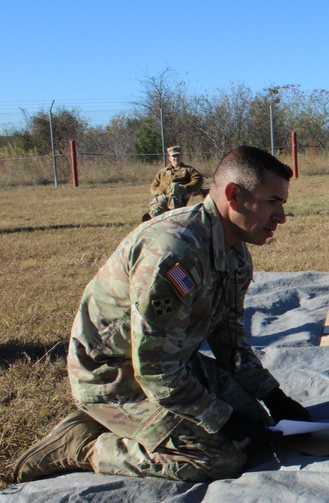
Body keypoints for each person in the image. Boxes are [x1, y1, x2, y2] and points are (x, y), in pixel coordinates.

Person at [14, 146, 312, 484]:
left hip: (170, 362)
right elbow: (155, 371)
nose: (282, 217)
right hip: (112, 375)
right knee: (219, 457)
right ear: (234, 195)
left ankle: (121, 421)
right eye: (273, 202)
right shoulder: (173, 254)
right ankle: (84, 445)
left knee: (256, 424)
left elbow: (230, 340)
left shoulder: (234, 250)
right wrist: (223, 422)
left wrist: (274, 397)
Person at [145, 145, 204, 221]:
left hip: (178, 197)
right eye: (173, 156)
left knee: (174, 186)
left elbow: (198, 180)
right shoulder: (163, 172)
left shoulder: (188, 170)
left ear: (181, 157)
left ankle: (173, 215)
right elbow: (154, 185)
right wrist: (159, 192)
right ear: (170, 158)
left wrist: (184, 188)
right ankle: (151, 217)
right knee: (157, 207)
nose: (176, 158)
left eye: (178, 155)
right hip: (163, 196)